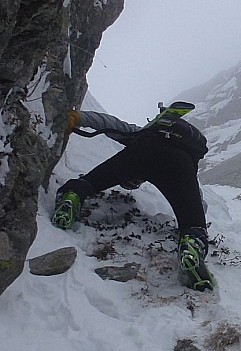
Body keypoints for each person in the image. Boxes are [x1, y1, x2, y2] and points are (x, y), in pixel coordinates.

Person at [52, 105, 216, 292]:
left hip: (143, 150)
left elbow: (109, 123)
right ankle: (191, 244)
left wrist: (78, 117)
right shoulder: (184, 157)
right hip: (181, 162)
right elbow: (195, 199)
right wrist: (196, 221)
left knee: (90, 183)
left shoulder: (144, 134)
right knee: (192, 225)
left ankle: (74, 194)